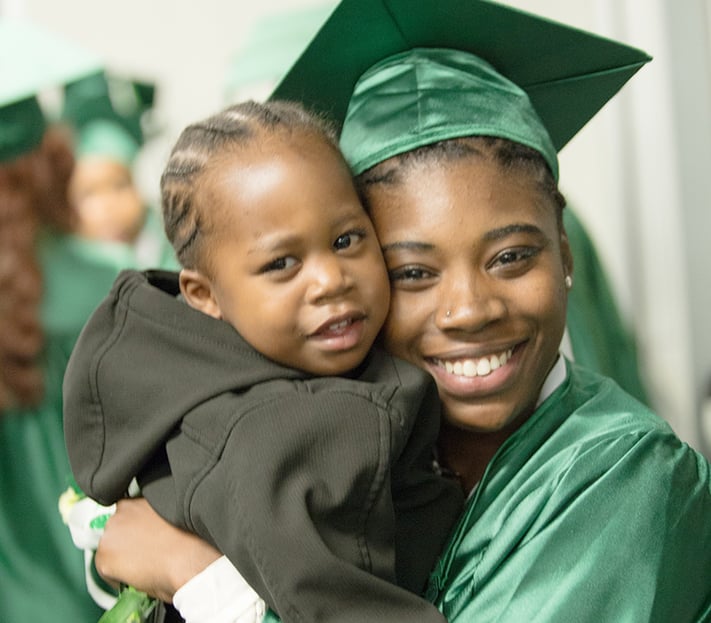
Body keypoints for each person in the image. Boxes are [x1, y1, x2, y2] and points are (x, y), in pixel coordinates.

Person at [91, 1, 711, 621]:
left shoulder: (629, 477)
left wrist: (197, 577)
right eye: (410, 273)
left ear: (566, 253)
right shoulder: (355, 442)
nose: (469, 310)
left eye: (512, 258)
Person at [63, 99, 463, 623]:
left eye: (346, 240)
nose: (331, 280)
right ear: (204, 295)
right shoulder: (280, 437)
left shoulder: (201, 375)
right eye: (281, 263)